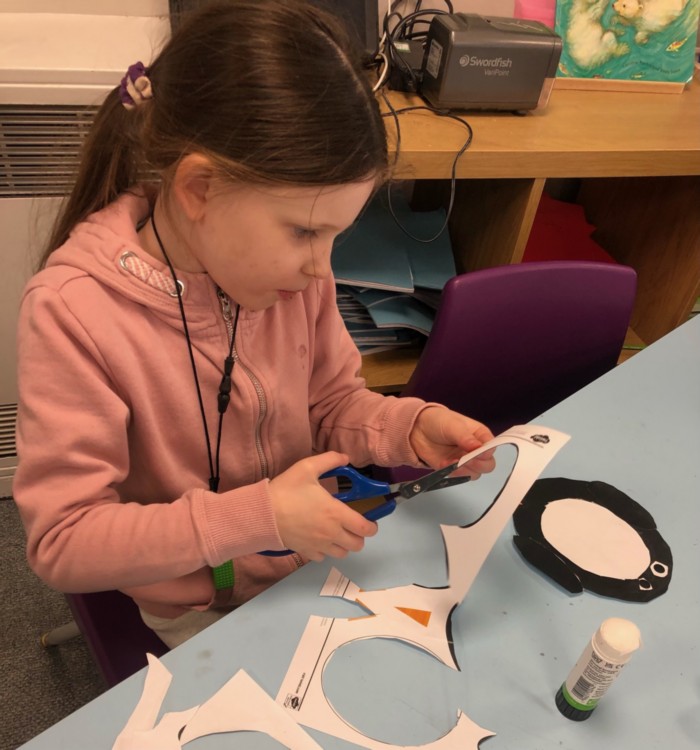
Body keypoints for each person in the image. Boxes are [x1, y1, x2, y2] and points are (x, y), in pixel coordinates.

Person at [14, 0, 495, 649]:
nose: (322, 267)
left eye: (336, 236)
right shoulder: (73, 312)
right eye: (304, 232)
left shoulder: (295, 279)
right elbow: (64, 542)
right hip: (200, 601)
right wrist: (256, 517)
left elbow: (332, 405)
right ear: (200, 190)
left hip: (310, 557)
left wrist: (405, 427)